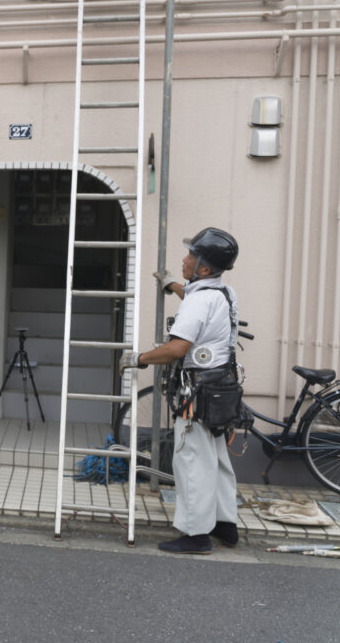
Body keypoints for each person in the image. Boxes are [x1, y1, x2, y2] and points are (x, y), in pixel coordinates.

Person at [119, 227, 241, 555]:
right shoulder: (225, 294)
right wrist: (172, 284)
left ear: (203, 268)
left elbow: (176, 349)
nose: (184, 260)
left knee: (191, 463)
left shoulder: (200, 300)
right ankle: (226, 526)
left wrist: (139, 359)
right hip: (221, 390)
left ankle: (195, 534)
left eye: (190, 256)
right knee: (216, 460)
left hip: (197, 394)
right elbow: (197, 300)